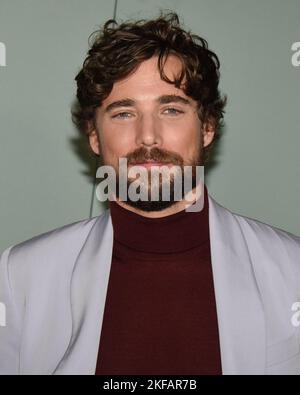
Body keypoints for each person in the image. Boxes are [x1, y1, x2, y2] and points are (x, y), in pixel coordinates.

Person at [1, 12, 300, 375]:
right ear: (94, 136)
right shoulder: (20, 276)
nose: (147, 136)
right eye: (124, 113)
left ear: (207, 128)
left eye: (171, 109)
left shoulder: (291, 269)